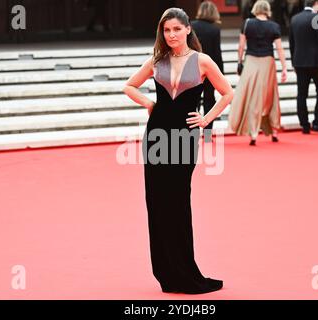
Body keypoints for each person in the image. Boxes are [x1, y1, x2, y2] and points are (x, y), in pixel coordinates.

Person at [123, 8, 233, 294]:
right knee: (157, 203)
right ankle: (167, 273)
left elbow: (228, 93)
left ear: (187, 30)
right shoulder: (156, 61)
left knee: (179, 203)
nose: (171, 35)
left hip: (184, 137)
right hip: (157, 137)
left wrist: (206, 118)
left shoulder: (202, 61)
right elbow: (130, 86)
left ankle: (185, 271)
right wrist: (148, 104)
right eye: (166, 30)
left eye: (175, 29)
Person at [228, 0, 287, 146]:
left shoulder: (247, 23)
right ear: (267, 10)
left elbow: (241, 46)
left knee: (250, 95)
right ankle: (273, 130)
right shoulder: (274, 26)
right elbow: (279, 49)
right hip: (268, 62)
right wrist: (284, 67)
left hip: (251, 61)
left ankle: (253, 133)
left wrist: (239, 62)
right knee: (270, 95)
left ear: (255, 9)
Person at [289, 0, 318, 135]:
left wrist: (293, 62)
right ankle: (317, 123)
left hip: (300, 62)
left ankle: (305, 125)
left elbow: (292, 43)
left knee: (301, 94)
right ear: (316, 3)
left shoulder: (295, 19)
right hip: (317, 62)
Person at [191, 1, 224, 142]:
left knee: (193, 101)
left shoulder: (191, 25)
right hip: (210, 69)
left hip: (192, 68)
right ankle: (208, 134)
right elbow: (217, 53)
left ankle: (192, 133)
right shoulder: (214, 30)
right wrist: (220, 73)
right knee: (209, 99)